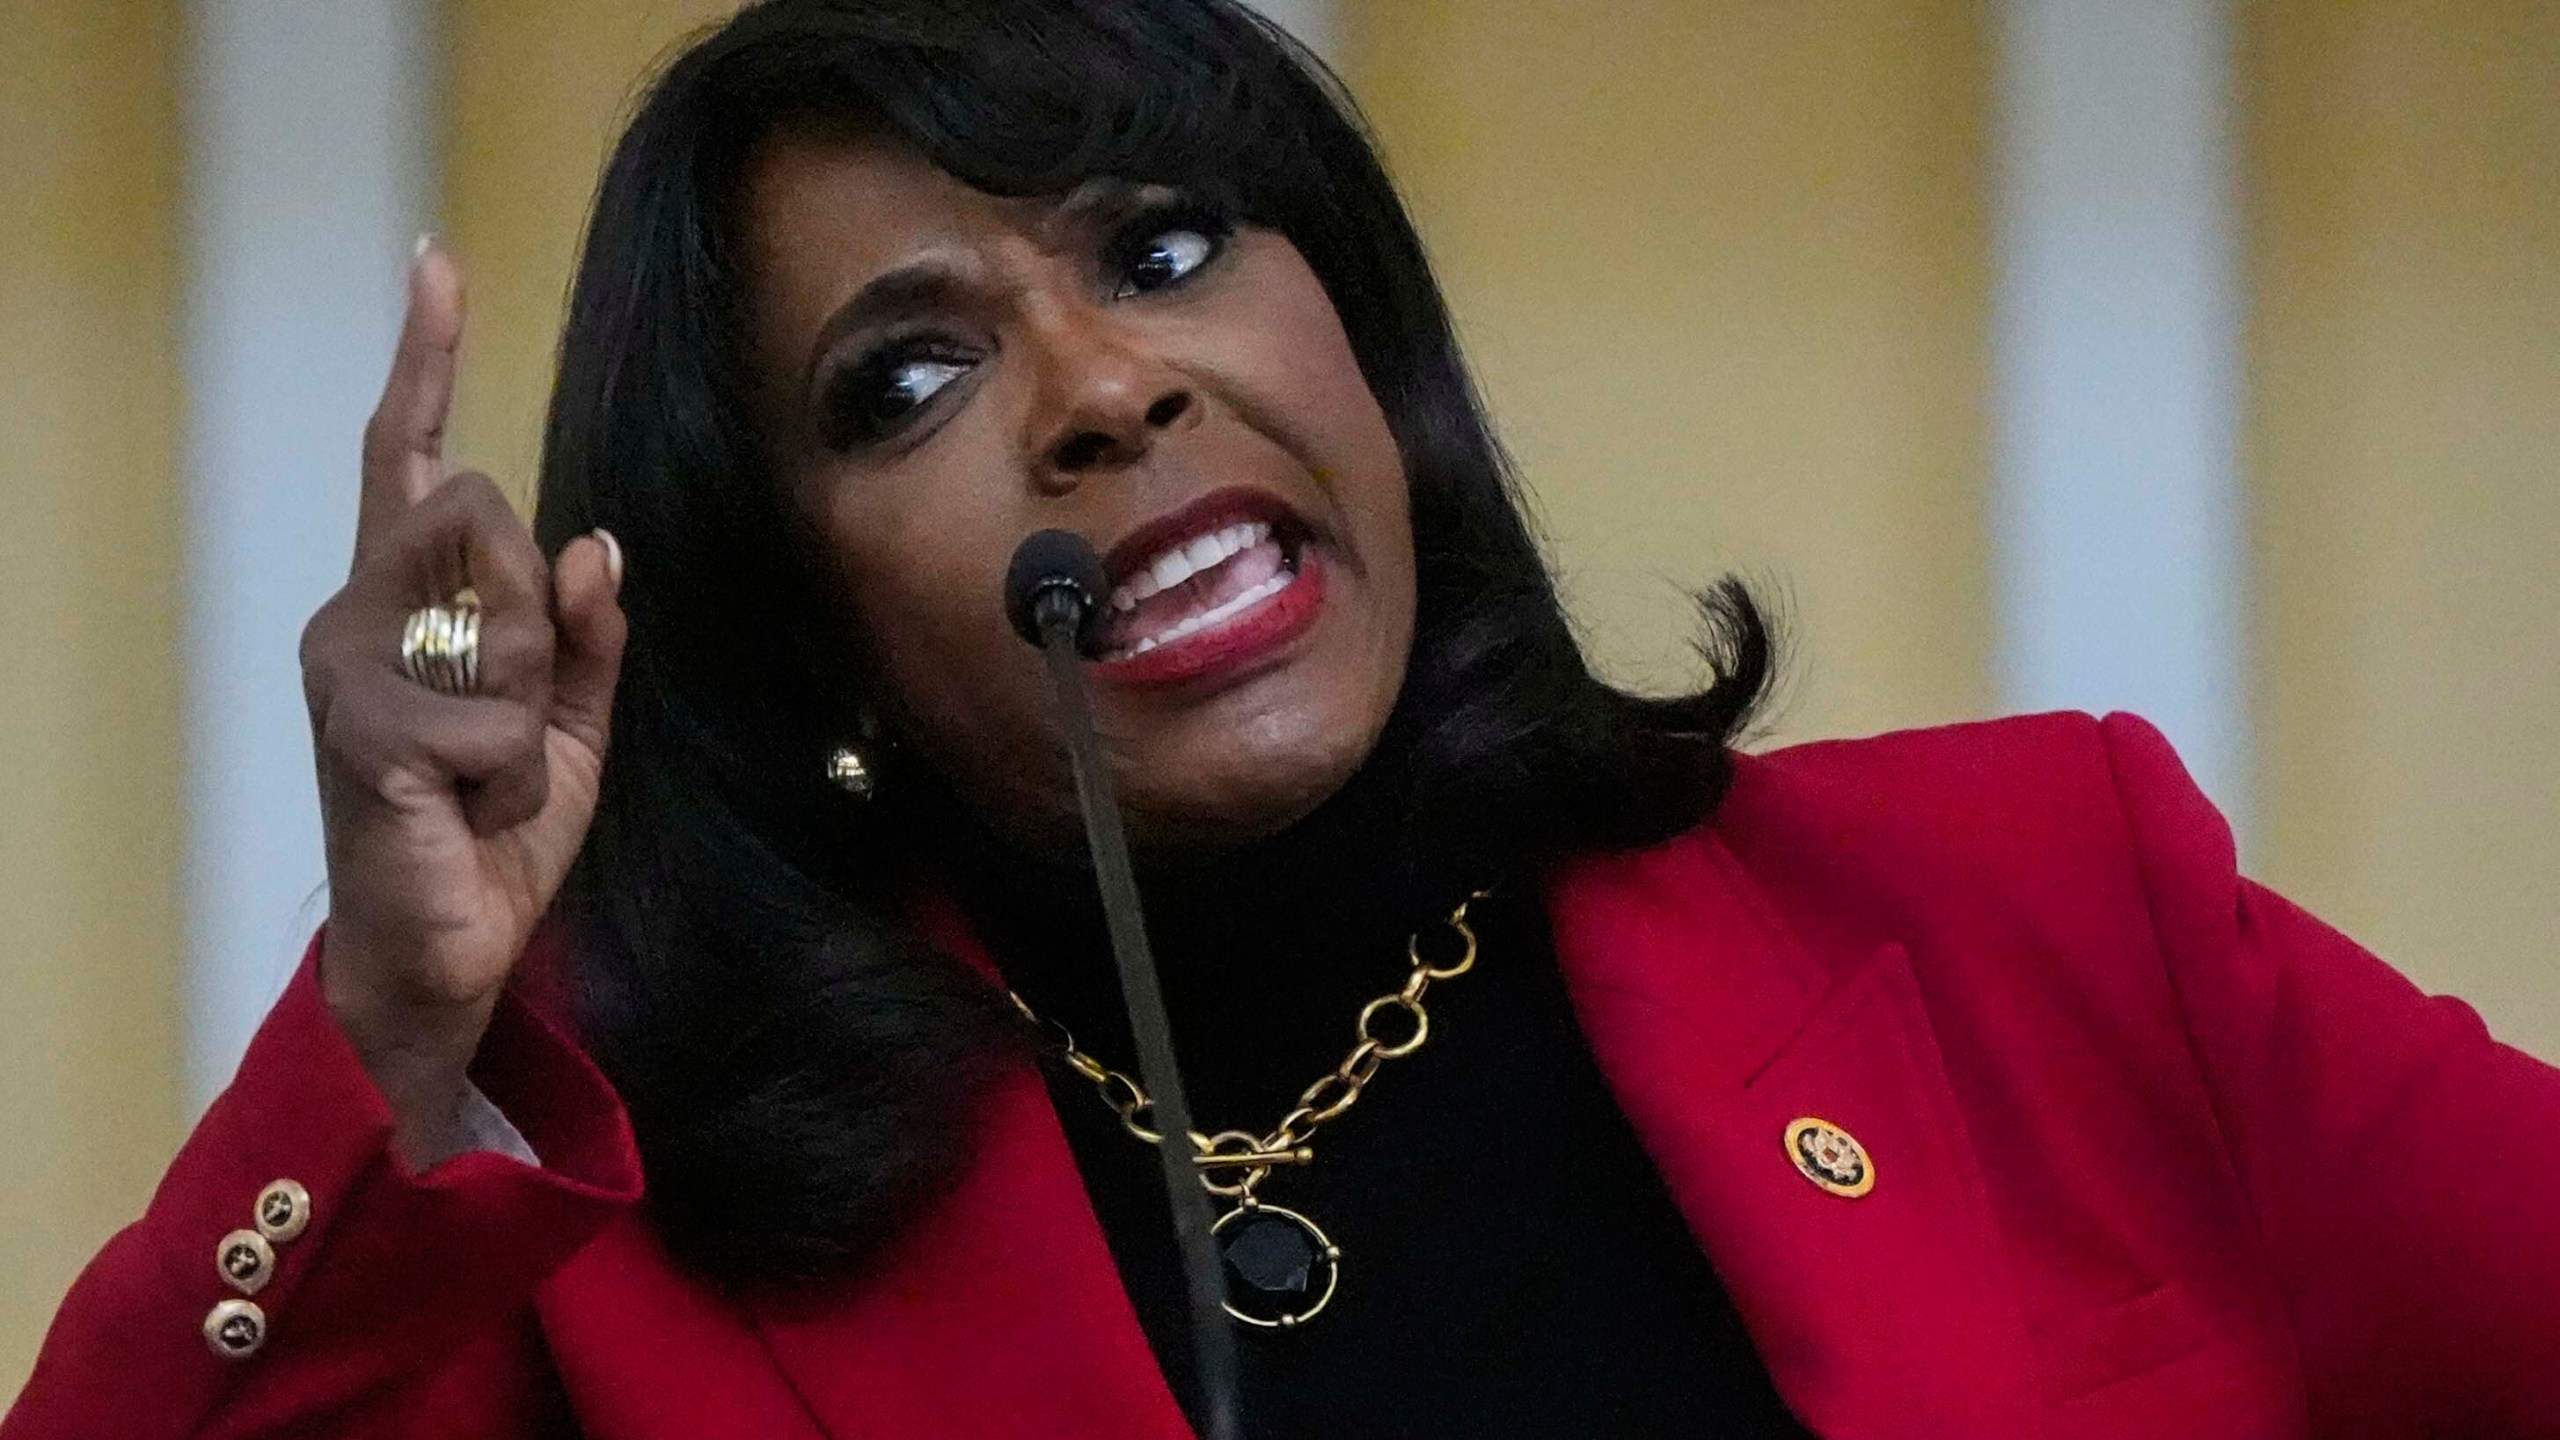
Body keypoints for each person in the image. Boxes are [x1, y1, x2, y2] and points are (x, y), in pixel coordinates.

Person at [9, 2, 2558, 1436]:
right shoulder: (629, 1255)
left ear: (1360, 343)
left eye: (1163, 244)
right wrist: (398, 1029)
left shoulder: (2045, 913)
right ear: (793, 627)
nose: (1102, 388)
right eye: (904, 377)